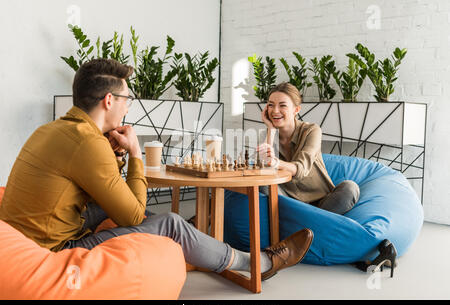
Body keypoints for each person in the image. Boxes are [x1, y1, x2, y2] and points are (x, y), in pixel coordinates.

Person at [0, 59, 313, 281]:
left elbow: (103, 187)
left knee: (126, 212)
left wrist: (116, 157)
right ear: (109, 100)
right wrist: (135, 153)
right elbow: (133, 216)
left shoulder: (54, 129)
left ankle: (202, 243)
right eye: (126, 98)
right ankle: (258, 262)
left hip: (28, 234)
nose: (129, 105)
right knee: (171, 224)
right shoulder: (87, 143)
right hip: (55, 247)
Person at [257, 82, 360, 215]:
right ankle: (314, 225)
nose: (275, 111)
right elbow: (264, 170)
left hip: (322, 201)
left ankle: (304, 226)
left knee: (350, 187)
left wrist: (276, 162)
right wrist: (271, 129)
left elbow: (301, 168)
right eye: (271, 105)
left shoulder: (311, 130)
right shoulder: (267, 135)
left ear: (296, 110)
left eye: (282, 105)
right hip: (290, 201)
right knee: (264, 184)